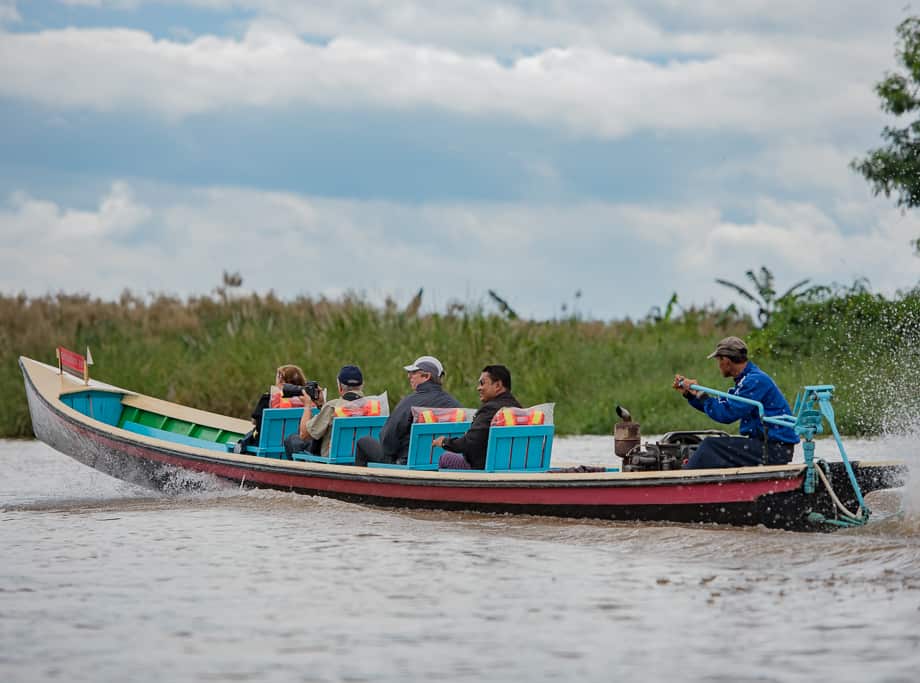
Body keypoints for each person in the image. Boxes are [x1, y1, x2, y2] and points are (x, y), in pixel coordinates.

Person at [673, 336, 799, 469]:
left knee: (710, 445)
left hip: (775, 450)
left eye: (718, 360)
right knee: (712, 447)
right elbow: (723, 405)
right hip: (766, 446)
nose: (719, 365)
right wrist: (691, 395)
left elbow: (727, 414)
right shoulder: (746, 381)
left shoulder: (754, 381)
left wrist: (702, 396)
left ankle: (682, 480)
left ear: (726, 360)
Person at [353, 355, 461, 466]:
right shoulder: (455, 404)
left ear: (426, 376)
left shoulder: (410, 402)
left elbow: (387, 441)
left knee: (364, 442)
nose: (409, 376)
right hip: (440, 463)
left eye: (413, 373)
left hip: (406, 464)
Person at [434, 364, 521, 470]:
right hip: (512, 467)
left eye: (482, 383)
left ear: (498, 385)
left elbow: (468, 443)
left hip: (483, 468)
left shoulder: (490, 410)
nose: (478, 388)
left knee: (445, 458)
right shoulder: (517, 409)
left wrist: (444, 442)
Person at [284, 365, 363, 458]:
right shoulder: (373, 406)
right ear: (362, 385)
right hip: (358, 457)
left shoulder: (332, 407)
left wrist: (307, 405)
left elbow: (304, 435)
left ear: (340, 387)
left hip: (331, 460)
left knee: (292, 440)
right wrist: (321, 404)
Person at [234, 364, 307, 453]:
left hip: (266, 445)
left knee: (248, 437)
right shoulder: (310, 403)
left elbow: (254, 422)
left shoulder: (268, 398)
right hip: (296, 447)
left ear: (281, 380)